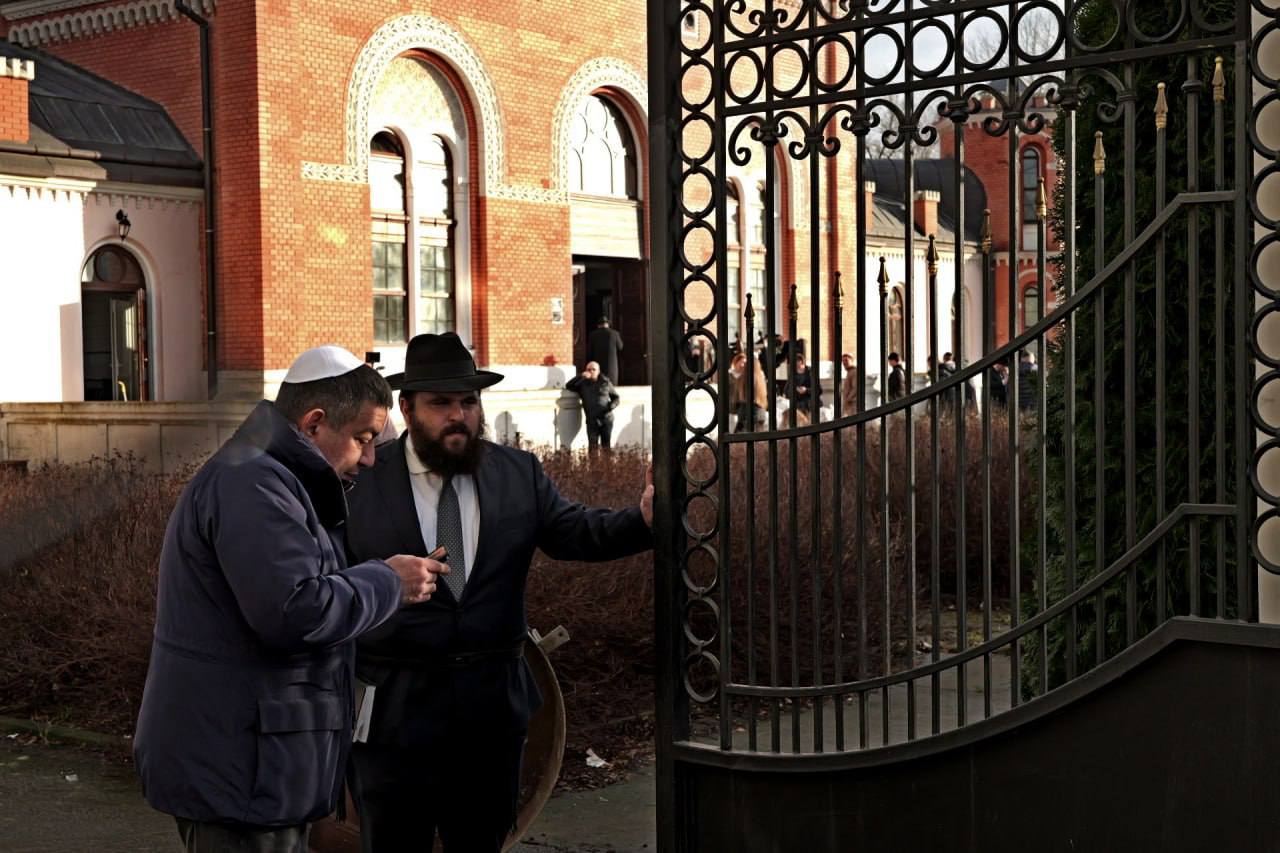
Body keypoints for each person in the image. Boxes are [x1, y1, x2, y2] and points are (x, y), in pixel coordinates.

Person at [344, 332, 654, 853]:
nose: (458, 415)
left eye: (468, 402)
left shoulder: (516, 472)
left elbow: (575, 531)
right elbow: (328, 582)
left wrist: (642, 521)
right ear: (407, 408)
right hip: (394, 716)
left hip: (490, 713)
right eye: (440, 403)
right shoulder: (361, 480)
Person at [133, 346, 442, 853]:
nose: (369, 458)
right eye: (363, 439)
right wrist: (389, 582)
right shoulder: (252, 482)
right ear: (314, 423)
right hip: (242, 771)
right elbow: (295, 612)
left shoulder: (273, 476)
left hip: (254, 764)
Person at [566, 360, 620, 451]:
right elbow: (569, 385)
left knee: (606, 446)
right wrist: (580, 376)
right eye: (588, 369)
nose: (591, 371)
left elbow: (616, 398)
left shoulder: (605, 382)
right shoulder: (582, 384)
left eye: (593, 369)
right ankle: (593, 461)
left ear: (598, 371)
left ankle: (607, 461)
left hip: (606, 419)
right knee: (592, 447)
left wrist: (610, 406)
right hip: (592, 421)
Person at [732, 350, 768, 432]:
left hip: (746, 412)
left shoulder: (743, 378)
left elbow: (738, 397)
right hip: (760, 411)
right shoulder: (761, 379)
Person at [586, 316, 624, 384]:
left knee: (599, 382)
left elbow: (590, 350)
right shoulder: (614, 333)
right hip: (611, 365)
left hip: (598, 362)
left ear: (598, 325)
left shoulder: (593, 334)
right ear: (608, 324)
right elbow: (620, 347)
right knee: (611, 383)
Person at [783, 351, 821, 417]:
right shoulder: (792, 374)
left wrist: (806, 390)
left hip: (810, 406)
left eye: (797, 362)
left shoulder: (811, 372)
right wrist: (795, 389)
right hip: (797, 407)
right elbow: (786, 391)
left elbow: (819, 390)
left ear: (801, 361)